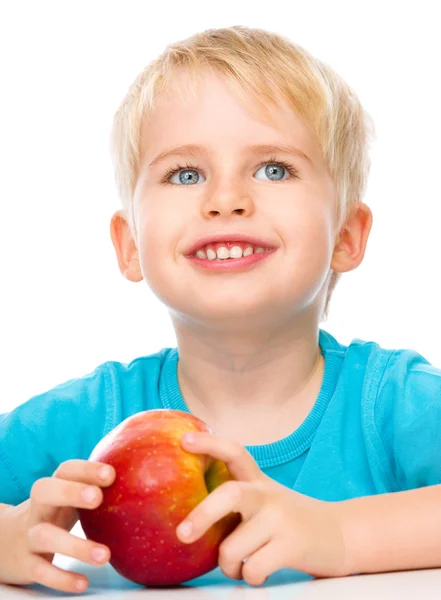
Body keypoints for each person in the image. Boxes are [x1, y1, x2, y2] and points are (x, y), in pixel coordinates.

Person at [1, 24, 441, 594]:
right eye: (185, 174)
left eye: (273, 169)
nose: (227, 199)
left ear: (347, 236)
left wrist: (341, 534)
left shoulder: (391, 403)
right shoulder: (92, 419)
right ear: (130, 244)